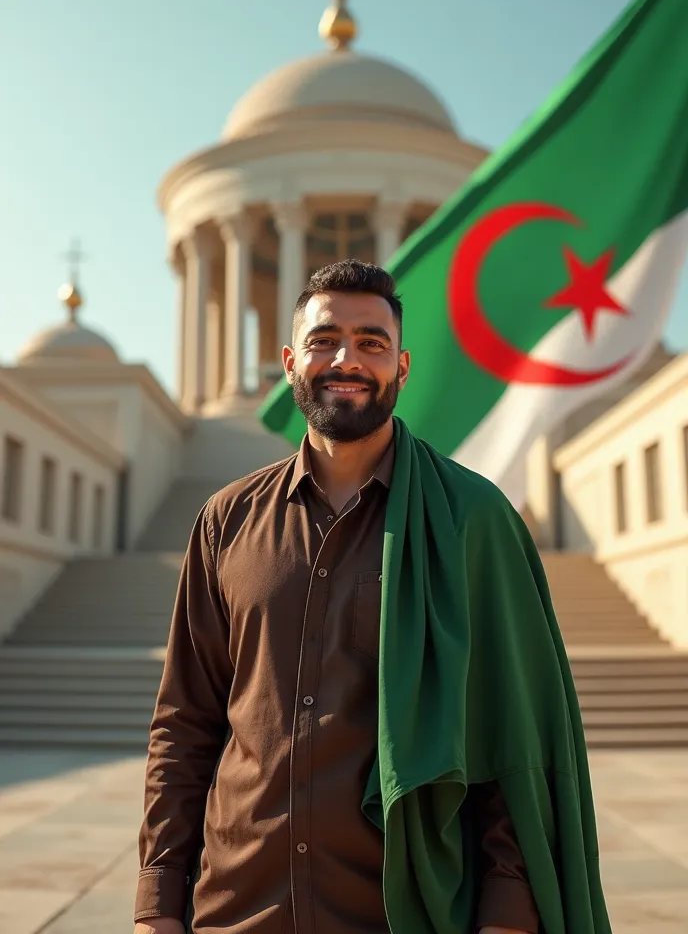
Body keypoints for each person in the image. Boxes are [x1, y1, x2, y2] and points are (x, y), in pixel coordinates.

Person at [134, 260, 610, 934]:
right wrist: (158, 902)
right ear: (289, 361)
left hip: (404, 909)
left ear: (403, 366)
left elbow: (516, 730)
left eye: (372, 342)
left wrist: (508, 910)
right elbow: (187, 721)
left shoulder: (473, 519)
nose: (347, 360)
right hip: (237, 907)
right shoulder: (227, 520)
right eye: (325, 340)